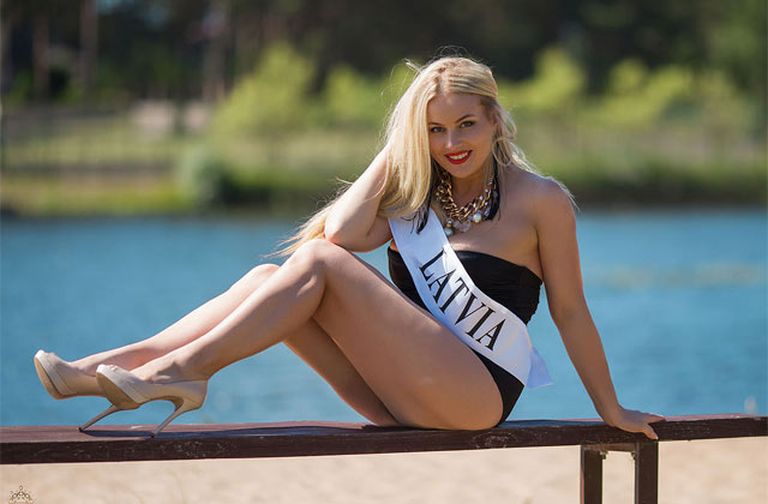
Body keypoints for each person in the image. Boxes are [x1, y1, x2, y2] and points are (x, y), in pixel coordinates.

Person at [33, 55, 663, 438]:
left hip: (474, 397)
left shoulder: (541, 200)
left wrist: (609, 409)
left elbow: (570, 311)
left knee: (314, 264)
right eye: (435, 129)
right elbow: (339, 234)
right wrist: (399, 147)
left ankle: (183, 373)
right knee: (263, 281)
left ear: (496, 119)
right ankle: (103, 372)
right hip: (395, 393)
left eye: (466, 124)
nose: (452, 144)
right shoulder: (417, 196)